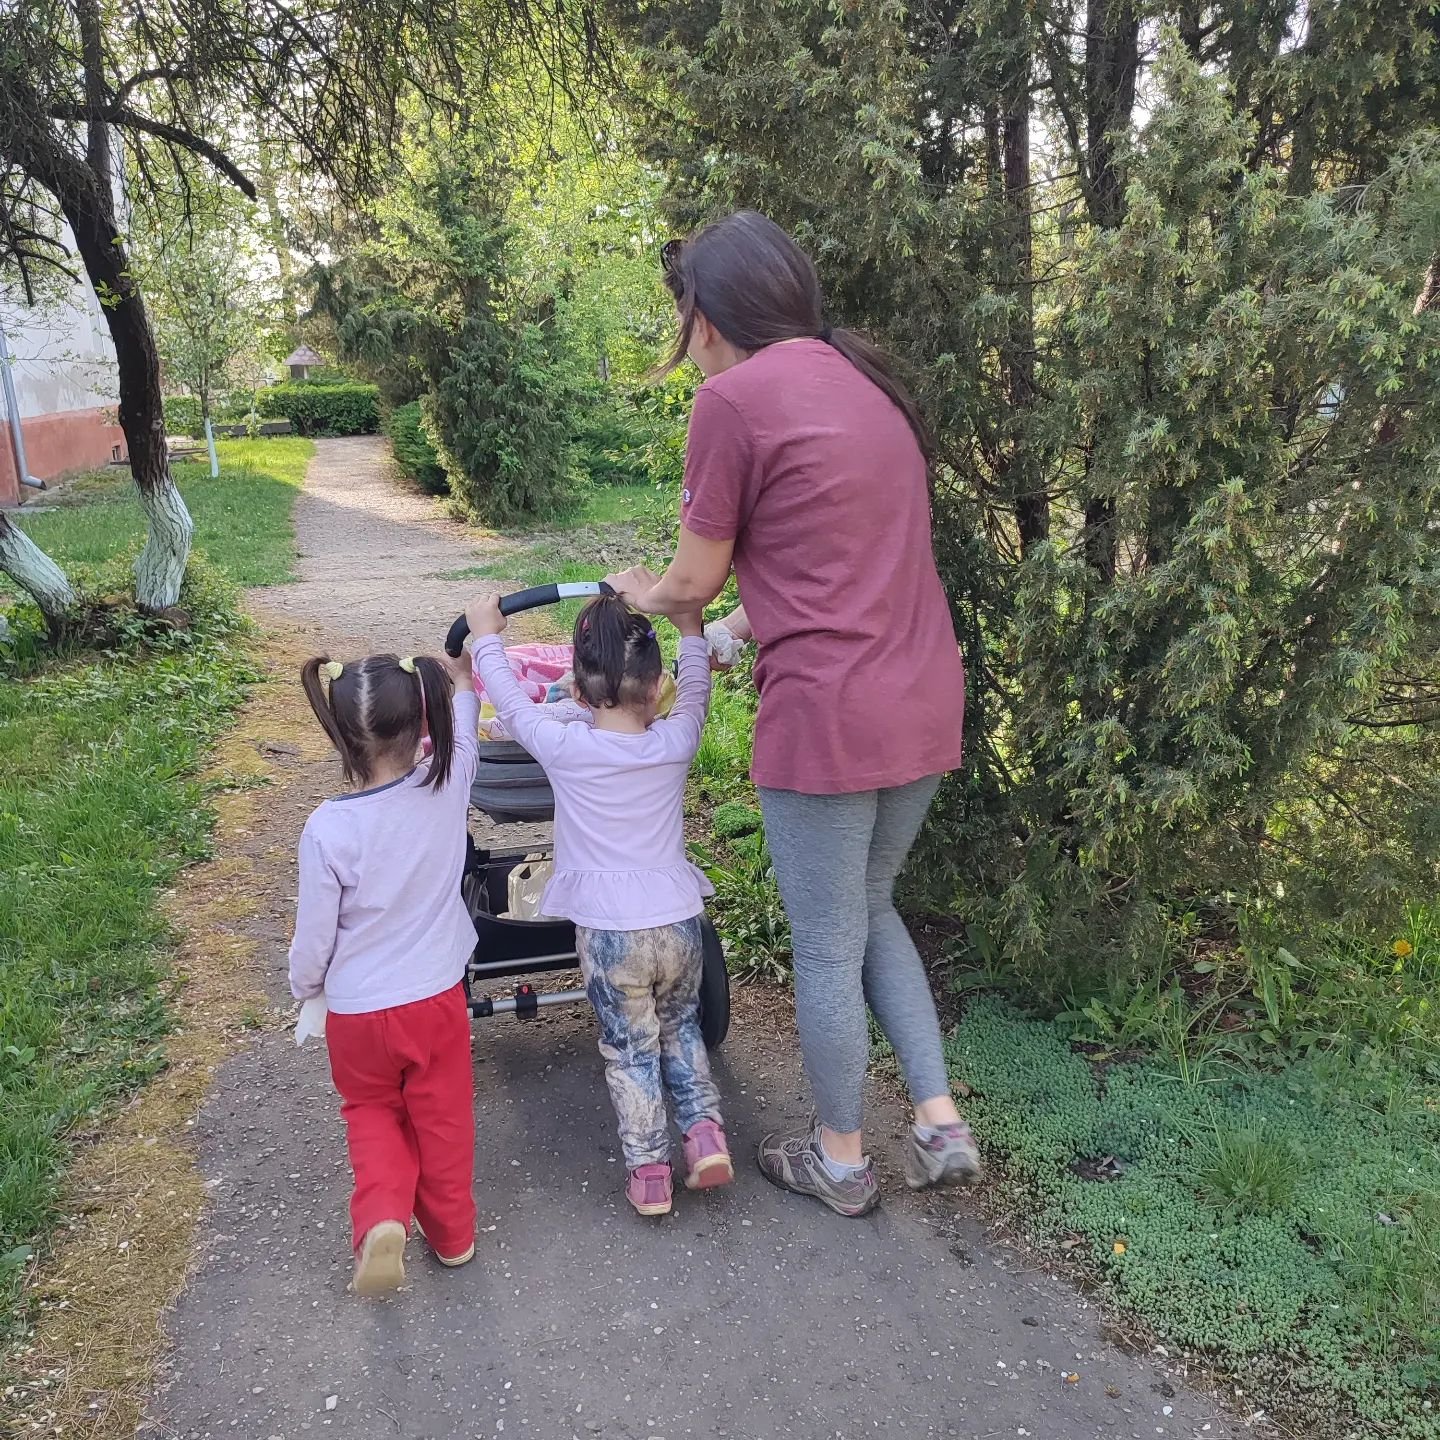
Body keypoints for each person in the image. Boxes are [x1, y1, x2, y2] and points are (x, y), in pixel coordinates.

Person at [606, 209, 980, 1219]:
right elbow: (826, 566)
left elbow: (688, 576)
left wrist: (646, 592)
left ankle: (843, 1158)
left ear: (708, 316)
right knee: (873, 908)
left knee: (824, 940)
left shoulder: (733, 399)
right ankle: (940, 1126)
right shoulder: (867, 384)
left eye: (683, 316)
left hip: (831, 717)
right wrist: (734, 626)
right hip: (921, 698)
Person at [466, 592, 732, 1218]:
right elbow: (695, 691)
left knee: (629, 1049)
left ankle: (649, 1171)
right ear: (655, 686)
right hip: (679, 921)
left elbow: (508, 702)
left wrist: (485, 638)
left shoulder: (567, 747)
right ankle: (705, 1135)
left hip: (613, 936)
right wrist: (690, 627)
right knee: (681, 1028)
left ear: (580, 696)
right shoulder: (676, 740)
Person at [289, 649, 480, 1294]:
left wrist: (306, 988)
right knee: (444, 1117)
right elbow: (470, 729)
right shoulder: (448, 786)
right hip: (435, 999)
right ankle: (453, 1238)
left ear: (340, 733)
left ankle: (380, 1219)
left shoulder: (327, 830)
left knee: (371, 1112)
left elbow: (314, 938)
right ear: (424, 721)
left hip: (358, 1012)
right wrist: (461, 680)